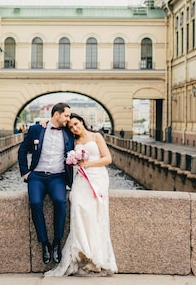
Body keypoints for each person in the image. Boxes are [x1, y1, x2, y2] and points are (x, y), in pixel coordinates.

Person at [45, 113, 117, 277]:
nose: (75, 128)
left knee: (95, 215)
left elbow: (108, 159)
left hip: (98, 177)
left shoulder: (96, 136)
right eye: (71, 127)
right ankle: (82, 251)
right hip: (81, 179)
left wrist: (88, 163)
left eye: (76, 124)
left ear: (82, 122)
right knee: (77, 204)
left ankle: (95, 256)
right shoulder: (72, 141)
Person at [18, 103, 74, 265]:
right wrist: (25, 172)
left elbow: (82, 129)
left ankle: (57, 242)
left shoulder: (68, 132)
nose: (68, 119)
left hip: (58, 177)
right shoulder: (37, 129)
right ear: (56, 114)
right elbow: (22, 150)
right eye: (66, 115)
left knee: (60, 202)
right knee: (35, 203)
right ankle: (44, 244)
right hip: (37, 176)